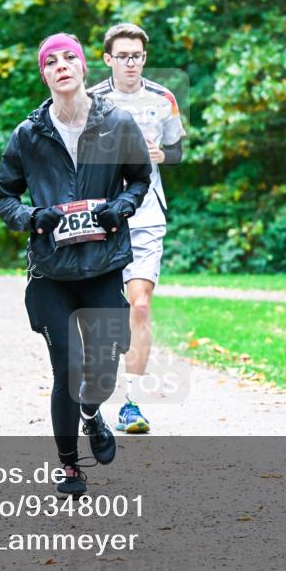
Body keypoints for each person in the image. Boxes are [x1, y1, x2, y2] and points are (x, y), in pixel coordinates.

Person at [0, 33, 151, 497]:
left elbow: (139, 179)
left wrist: (120, 207)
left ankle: (91, 413)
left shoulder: (117, 123)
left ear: (83, 67)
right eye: (51, 61)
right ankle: (69, 467)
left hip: (103, 265)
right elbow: (4, 197)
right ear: (44, 74)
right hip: (51, 272)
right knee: (68, 368)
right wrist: (31, 217)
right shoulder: (29, 134)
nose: (61, 65)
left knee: (101, 372)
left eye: (69, 58)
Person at [89, 23, 186, 434]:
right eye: (123, 56)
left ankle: (131, 403)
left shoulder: (164, 98)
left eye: (137, 56)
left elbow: (177, 150)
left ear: (144, 58)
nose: (131, 63)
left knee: (140, 305)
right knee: (101, 309)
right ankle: (92, 396)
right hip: (103, 214)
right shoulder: (91, 99)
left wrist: (161, 155)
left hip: (147, 213)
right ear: (108, 59)